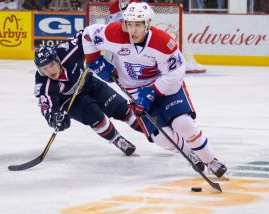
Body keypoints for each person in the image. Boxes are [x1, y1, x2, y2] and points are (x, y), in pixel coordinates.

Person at [82, 2, 227, 177]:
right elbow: (87, 35)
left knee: (184, 124)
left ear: (147, 24)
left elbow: (176, 72)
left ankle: (211, 161)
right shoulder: (114, 33)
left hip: (166, 87)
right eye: (129, 24)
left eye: (137, 25)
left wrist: (151, 91)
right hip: (135, 90)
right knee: (163, 139)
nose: (132, 30)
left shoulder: (162, 42)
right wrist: (94, 61)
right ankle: (191, 153)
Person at [34, 30, 143, 156]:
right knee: (96, 117)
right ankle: (116, 139)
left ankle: (152, 132)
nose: (50, 71)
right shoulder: (44, 84)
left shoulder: (69, 51)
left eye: (52, 65)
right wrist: (55, 118)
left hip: (89, 83)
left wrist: (102, 45)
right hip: (71, 101)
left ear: (58, 60)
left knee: (123, 110)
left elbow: (86, 35)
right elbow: (47, 107)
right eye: (44, 69)